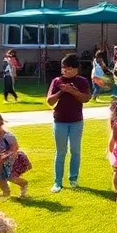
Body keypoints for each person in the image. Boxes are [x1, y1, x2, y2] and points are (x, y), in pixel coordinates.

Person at [47, 53, 91, 192]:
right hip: (59, 121)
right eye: (65, 68)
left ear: (77, 70)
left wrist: (73, 91)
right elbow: (49, 101)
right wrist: (61, 92)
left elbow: (86, 98)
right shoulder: (57, 81)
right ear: (62, 69)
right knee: (61, 152)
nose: (68, 71)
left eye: (71, 69)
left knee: (75, 151)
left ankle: (73, 178)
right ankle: (57, 182)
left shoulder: (82, 81)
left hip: (76, 121)